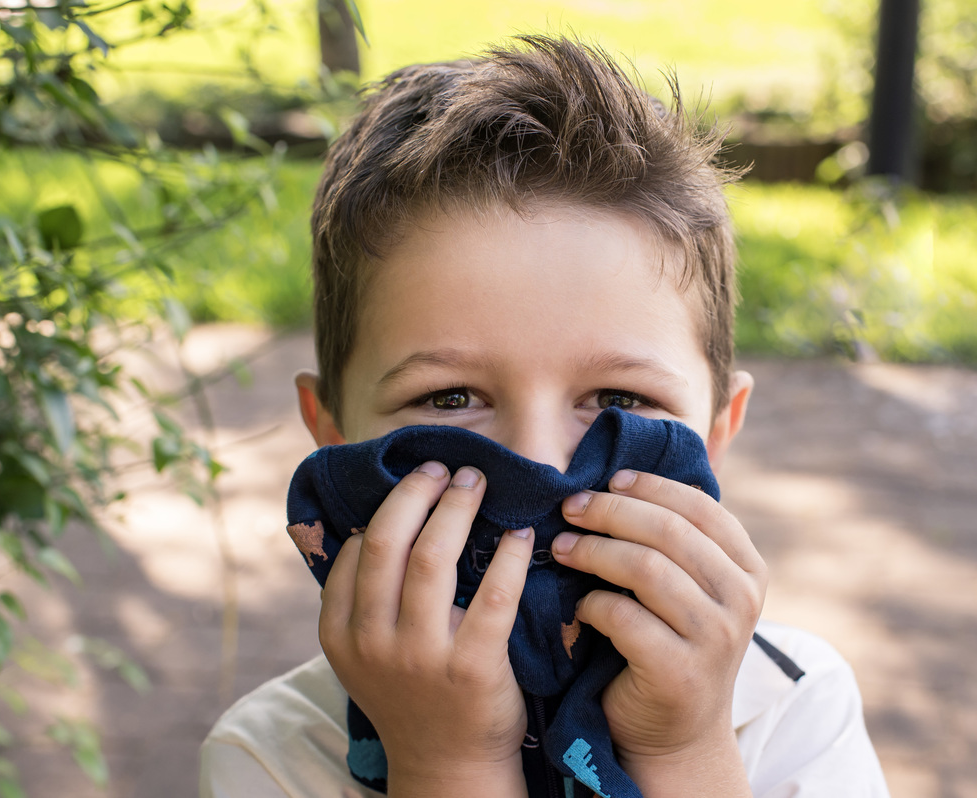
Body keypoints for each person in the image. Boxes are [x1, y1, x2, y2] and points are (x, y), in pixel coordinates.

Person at [199, 35, 889, 798]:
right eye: (450, 398)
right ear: (331, 434)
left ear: (717, 433)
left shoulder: (792, 708)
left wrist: (686, 751)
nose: (541, 464)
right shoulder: (270, 754)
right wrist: (450, 765)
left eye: (621, 404)